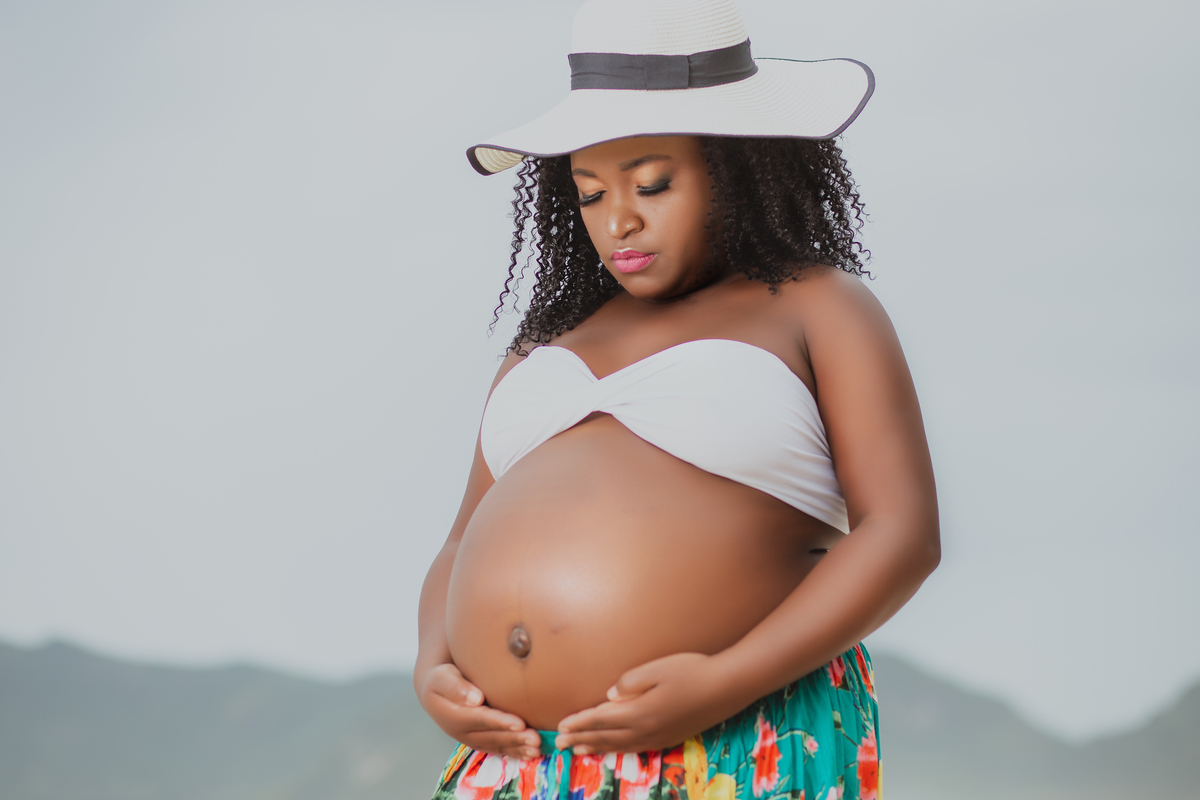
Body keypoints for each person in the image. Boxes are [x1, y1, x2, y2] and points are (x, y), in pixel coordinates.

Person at [416, 1, 939, 799]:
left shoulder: (814, 307)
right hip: (518, 764)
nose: (619, 218)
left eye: (652, 183)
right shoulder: (542, 344)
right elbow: (458, 544)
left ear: (736, 167)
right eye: (589, 194)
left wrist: (724, 682)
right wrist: (432, 667)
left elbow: (901, 535)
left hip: (732, 738)